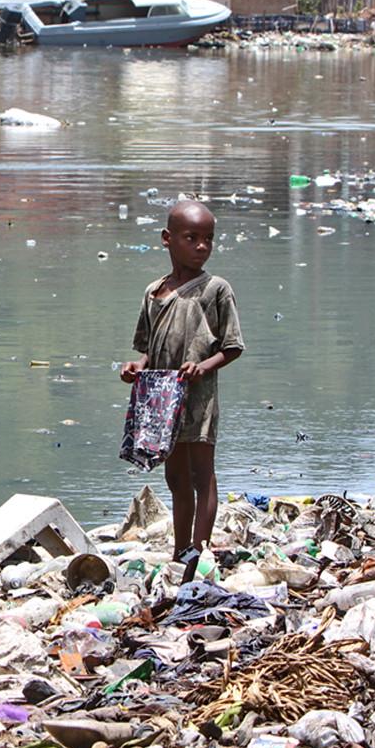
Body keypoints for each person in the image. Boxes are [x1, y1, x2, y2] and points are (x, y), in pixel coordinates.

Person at [121, 200, 244, 578]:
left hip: (198, 396)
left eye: (208, 239)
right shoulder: (154, 292)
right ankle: (181, 550)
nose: (202, 247)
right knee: (175, 477)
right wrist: (135, 368)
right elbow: (146, 349)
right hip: (161, 401)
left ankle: (201, 551)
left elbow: (232, 347)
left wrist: (201, 367)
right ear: (167, 239)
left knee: (201, 473)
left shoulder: (215, 290)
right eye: (191, 238)